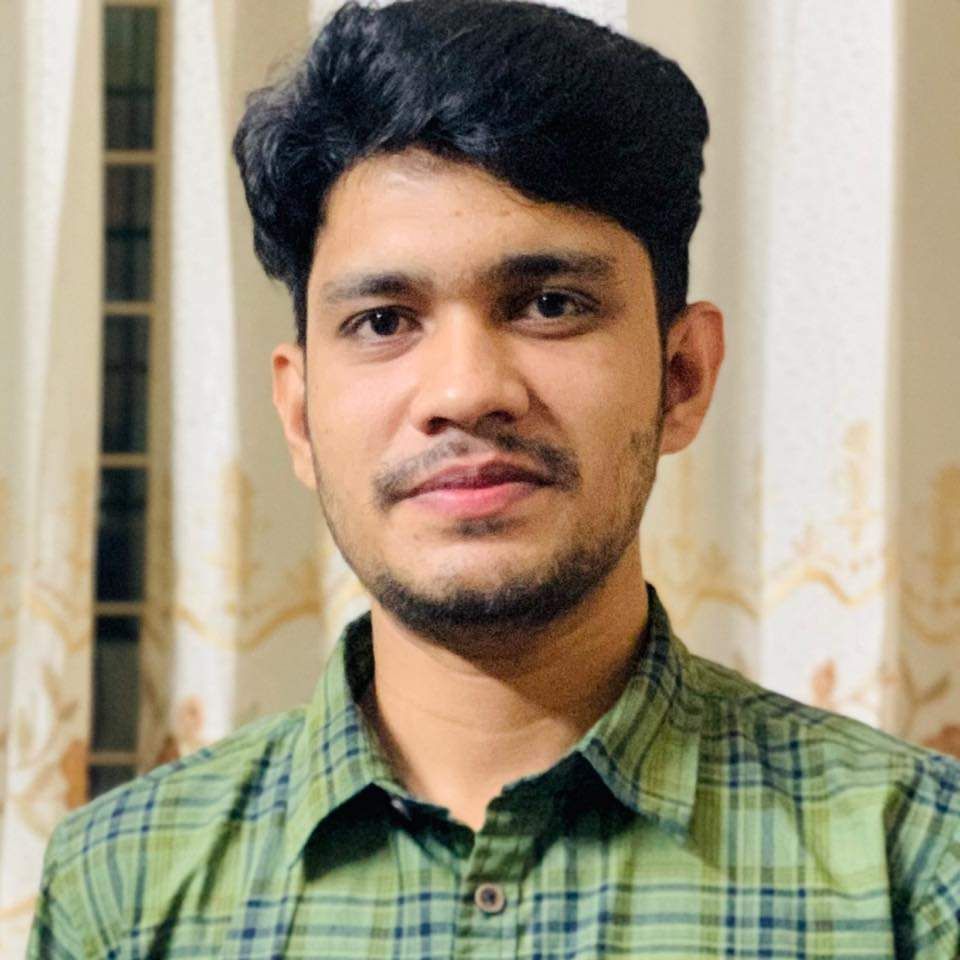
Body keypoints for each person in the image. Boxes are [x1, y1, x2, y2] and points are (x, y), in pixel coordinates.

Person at [29, 0, 960, 956]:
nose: (466, 391)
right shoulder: (125, 885)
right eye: (384, 321)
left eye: (550, 305)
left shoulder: (917, 866)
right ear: (300, 415)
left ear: (681, 378)